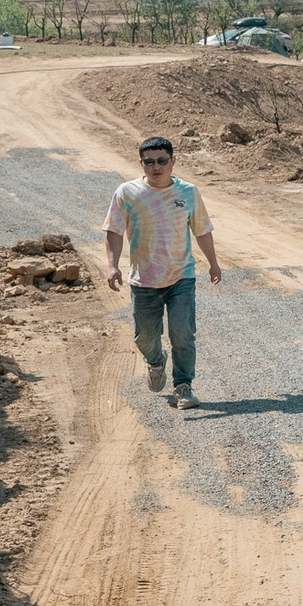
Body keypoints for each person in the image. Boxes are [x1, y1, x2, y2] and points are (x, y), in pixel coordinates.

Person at [103, 135, 222, 409]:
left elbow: (202, 230)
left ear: (173, 161)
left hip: (181, 276)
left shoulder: (188, 192)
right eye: (149, 161)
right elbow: (113, 230)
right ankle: (155, 361)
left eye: (162, 161)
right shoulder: (127, 192)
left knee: (183, 334)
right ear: (141, 163)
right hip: (143, 279)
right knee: (144, 336)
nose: (156, 166)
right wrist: (112, 266)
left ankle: (183, 386)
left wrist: (213, 263)